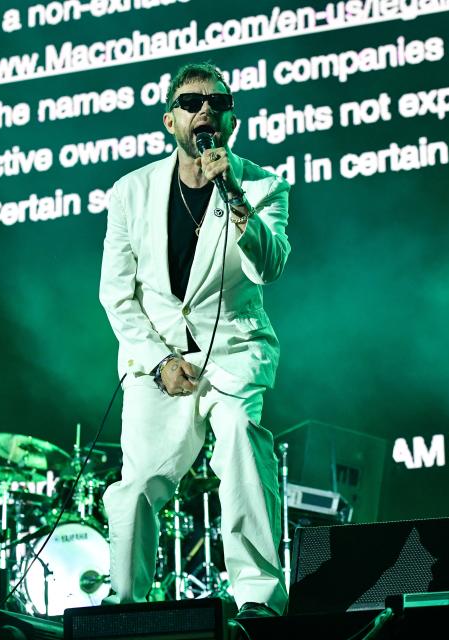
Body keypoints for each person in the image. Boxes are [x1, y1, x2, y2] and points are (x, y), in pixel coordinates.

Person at [98, 61, 291, 619]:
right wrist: (159, 361)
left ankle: (257, 598)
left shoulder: (261, 185)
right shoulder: (130, 193)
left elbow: (270, 265)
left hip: (232, 353)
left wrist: (231, 193)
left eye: (218, 100)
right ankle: (125, 606)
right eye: (191, 102)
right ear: (170, 120)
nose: (205, 108)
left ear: (230, 116)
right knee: (138, 484)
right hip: (157, 359)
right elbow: (117, 296)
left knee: (238, 437)